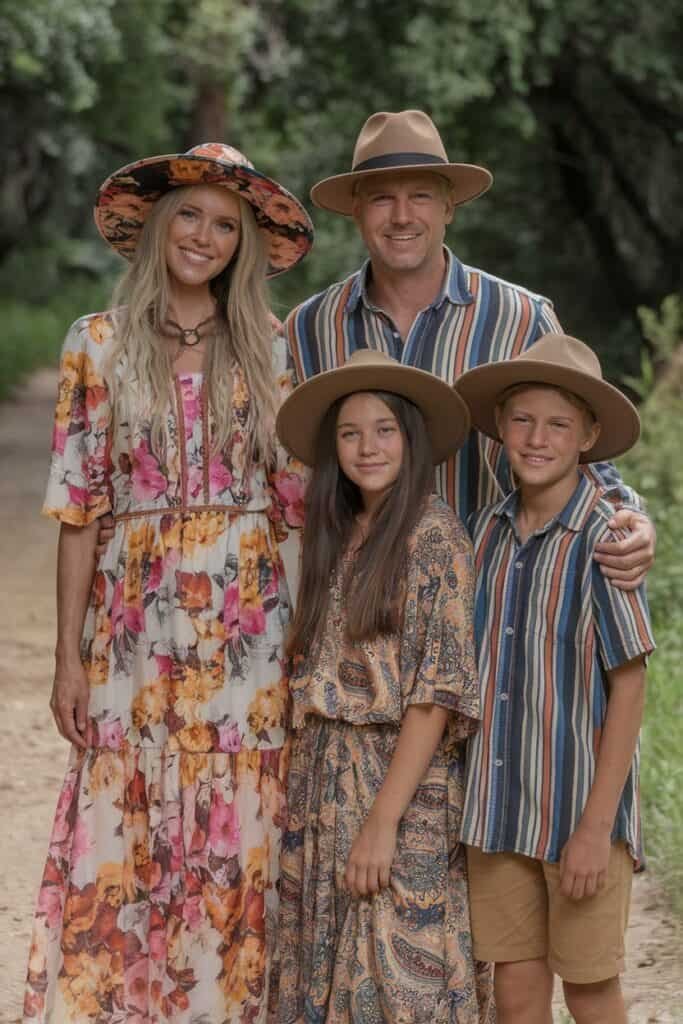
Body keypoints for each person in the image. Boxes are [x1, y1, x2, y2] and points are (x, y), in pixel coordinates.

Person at [24, 143, 313, 1024]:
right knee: (130, 836)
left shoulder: (275, 346)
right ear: (155, 225)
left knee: (244, 839)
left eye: (226, 225)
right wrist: (69, 661)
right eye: (188, 214)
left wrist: (301, 645)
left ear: (245, 245)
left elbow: (298, 513)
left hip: (250, 637)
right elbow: (79, 511)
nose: (205, 236)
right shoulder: (96, 344)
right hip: (132, 637)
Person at [285, 108, 656, 586]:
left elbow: (582, 451)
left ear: (449, 207)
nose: (402, 216)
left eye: (420, 196)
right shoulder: (309, 328)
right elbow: (288, 469)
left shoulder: (521, 318)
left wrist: (629, 516)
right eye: (382, 199)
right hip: (354, 608)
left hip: (484, 602)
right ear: (356, 209)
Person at [274, 349, 494, 1023]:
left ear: (411, 438)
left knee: (401, 981)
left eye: (383, 429)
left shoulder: (433, 536)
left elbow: (435, 695)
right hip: (322, 777)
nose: (366, 447)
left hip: (398, 783)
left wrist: (381, 823)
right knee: (322, 965)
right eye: (349, 432)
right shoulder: (336, 532)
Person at [455, 334, 655, 1024]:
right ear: (500, 427)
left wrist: (596, 828)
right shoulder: (481, 535)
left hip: (577, 811)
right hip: (498, 811)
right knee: (515, 989)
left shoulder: (606, 541)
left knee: (590, 985)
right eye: (522, 420)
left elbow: (628, 686)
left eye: (558, 424)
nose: (536, 438)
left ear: (588, 436)